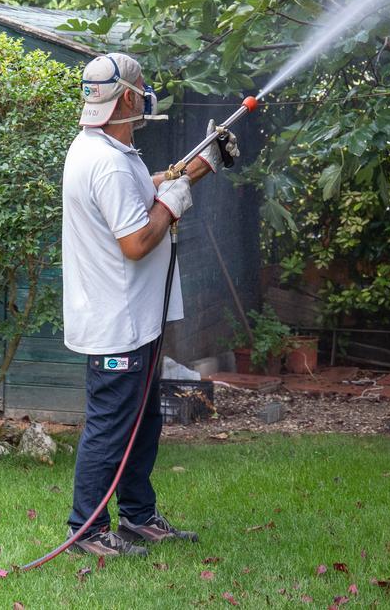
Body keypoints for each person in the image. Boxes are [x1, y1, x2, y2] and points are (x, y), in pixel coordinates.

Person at [61, 52, 238, 557]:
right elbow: (136, 241)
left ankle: (137, 517)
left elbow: (148, 191)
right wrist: (171, 202)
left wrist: (196, 168)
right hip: (118, 322)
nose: (147, 92)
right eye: (142, 86)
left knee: (141, 422)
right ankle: (87, 531)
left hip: (135, 319)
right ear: (130, 98)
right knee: (112, 424)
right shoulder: (107, 165)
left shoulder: (106, 151)